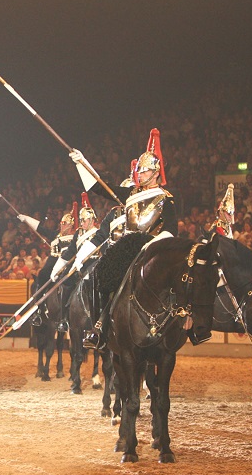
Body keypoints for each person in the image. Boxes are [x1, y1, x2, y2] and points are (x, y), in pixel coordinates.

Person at [72, 129, 208, 346]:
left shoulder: (167, 199)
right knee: (99, 275)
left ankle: (195, 326)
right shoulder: (132, 194)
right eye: (138, 171)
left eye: (143, 172)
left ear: (155, 173)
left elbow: (171, 230)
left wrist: (151, 245)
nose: (139, 175)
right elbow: (98, 188)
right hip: (128, 245)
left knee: (187, 276)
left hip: (155, 245)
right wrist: (81, 163)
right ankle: (100, 327)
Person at [17, 202, 77, 332]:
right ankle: (38, 311)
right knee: (42, 276)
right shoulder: (55, 235)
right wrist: (26, 218)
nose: (62, 225)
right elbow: (40, 228)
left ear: (71, 224)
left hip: (68, 264)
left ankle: (66, 316)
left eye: (65, 223)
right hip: (52, 264)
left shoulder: (75, 237)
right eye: (61, 223)